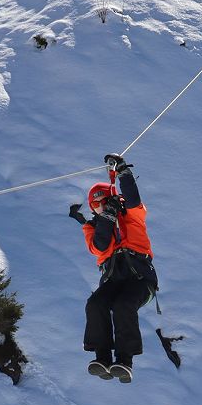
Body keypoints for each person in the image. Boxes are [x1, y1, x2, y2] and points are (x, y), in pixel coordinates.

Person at [68, 154, 158, 383]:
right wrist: (107, 218)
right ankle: (102, 357)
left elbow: (132, 198)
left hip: (140, 279)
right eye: (95, 205)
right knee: (96, 304)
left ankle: (124, 360)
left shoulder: (132, 216)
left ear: (112, 199)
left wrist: (123, 173)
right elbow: (99, 247)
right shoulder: (92, 228)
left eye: (102, 202)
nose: (98, 207)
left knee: (123, 306)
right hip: (113, 280)